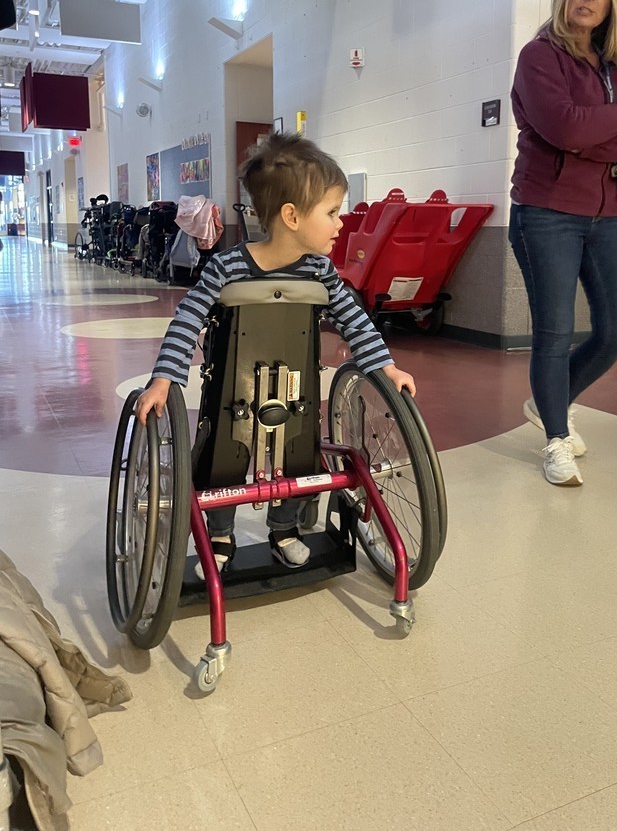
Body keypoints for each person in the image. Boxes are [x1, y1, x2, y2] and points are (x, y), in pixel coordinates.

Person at [135, 132, 415, 575]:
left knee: (299, 454)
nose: (340, 223)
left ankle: (284, 531)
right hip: (233, 391)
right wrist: (163, 379)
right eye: (332, 212)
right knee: (224, 458)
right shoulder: (227, 267)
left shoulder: (320, 271)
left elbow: (353, 319)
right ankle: (220, 535)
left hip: (295, 388)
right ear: (291, 216)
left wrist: (385, 366)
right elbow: (188, 318)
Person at [508, 0, 617, 487]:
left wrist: (587, 134)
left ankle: (549, 399)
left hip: (611, 214)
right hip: (546, 212)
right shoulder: (539, 56)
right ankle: (556, 439)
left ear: (613, 2)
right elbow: (565, 127)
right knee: (554, 332)